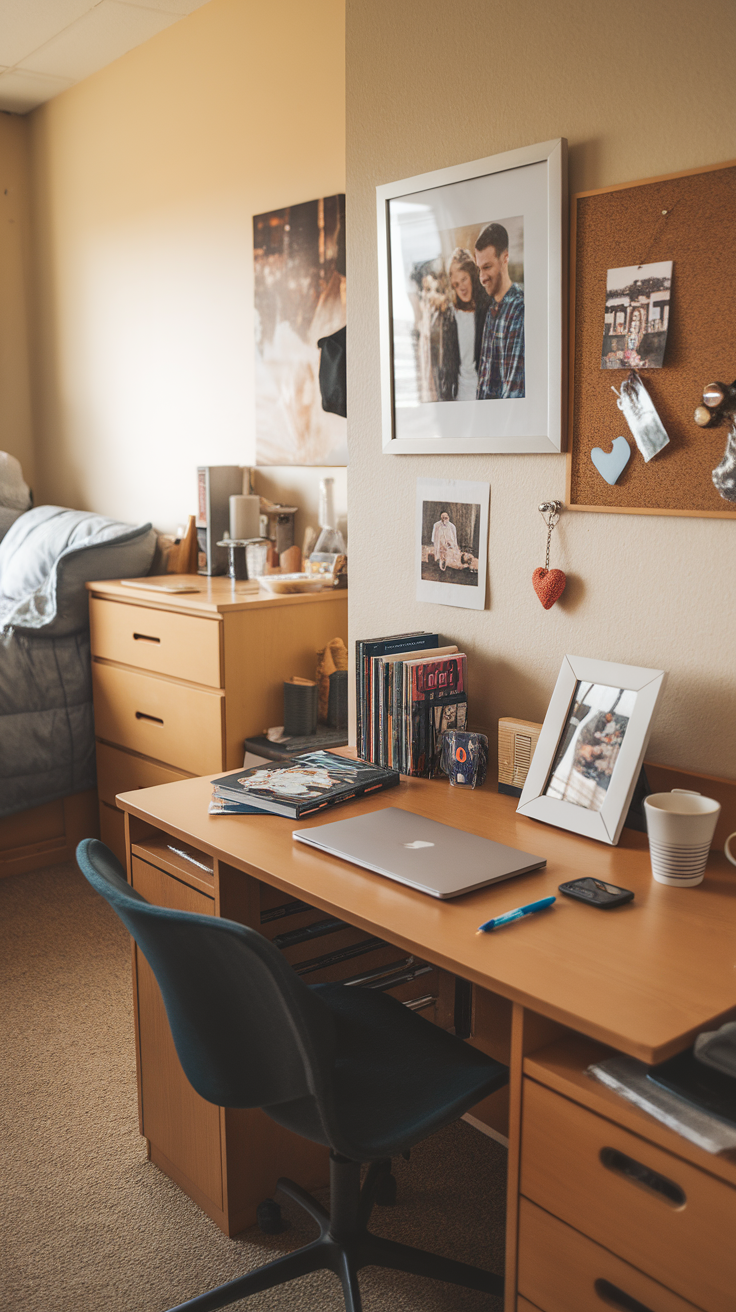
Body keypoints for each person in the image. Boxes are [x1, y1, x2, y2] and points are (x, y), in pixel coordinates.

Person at [474, 222, 525, 399]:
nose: (482, 278)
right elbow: (483, 384)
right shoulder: (491, 311)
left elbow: (514, 394)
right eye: (479, 268)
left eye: (487, 267)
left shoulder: (519, 310)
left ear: (505, 258)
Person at [437, 249, 490, 401]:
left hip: (484, 395)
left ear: (473, 276)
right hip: (459, 395)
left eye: (464, 279)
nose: (461, 287)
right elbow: (445, 366)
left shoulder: (486, 310)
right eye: (456, 284)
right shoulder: (450, 315)